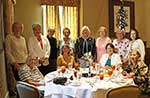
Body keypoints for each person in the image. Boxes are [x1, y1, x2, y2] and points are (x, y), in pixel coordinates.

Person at [5, 22, 28, 96]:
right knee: (19, 84)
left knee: (25, 83)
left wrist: (26, 62)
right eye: (16, 27)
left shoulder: (23, 38)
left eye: (20, 28)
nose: (18, 29)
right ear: (12, 28)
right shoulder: (9, 37)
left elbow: (25, 52)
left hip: (24, 63)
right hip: (15, 64)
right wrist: (14, 63)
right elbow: (8, 52)